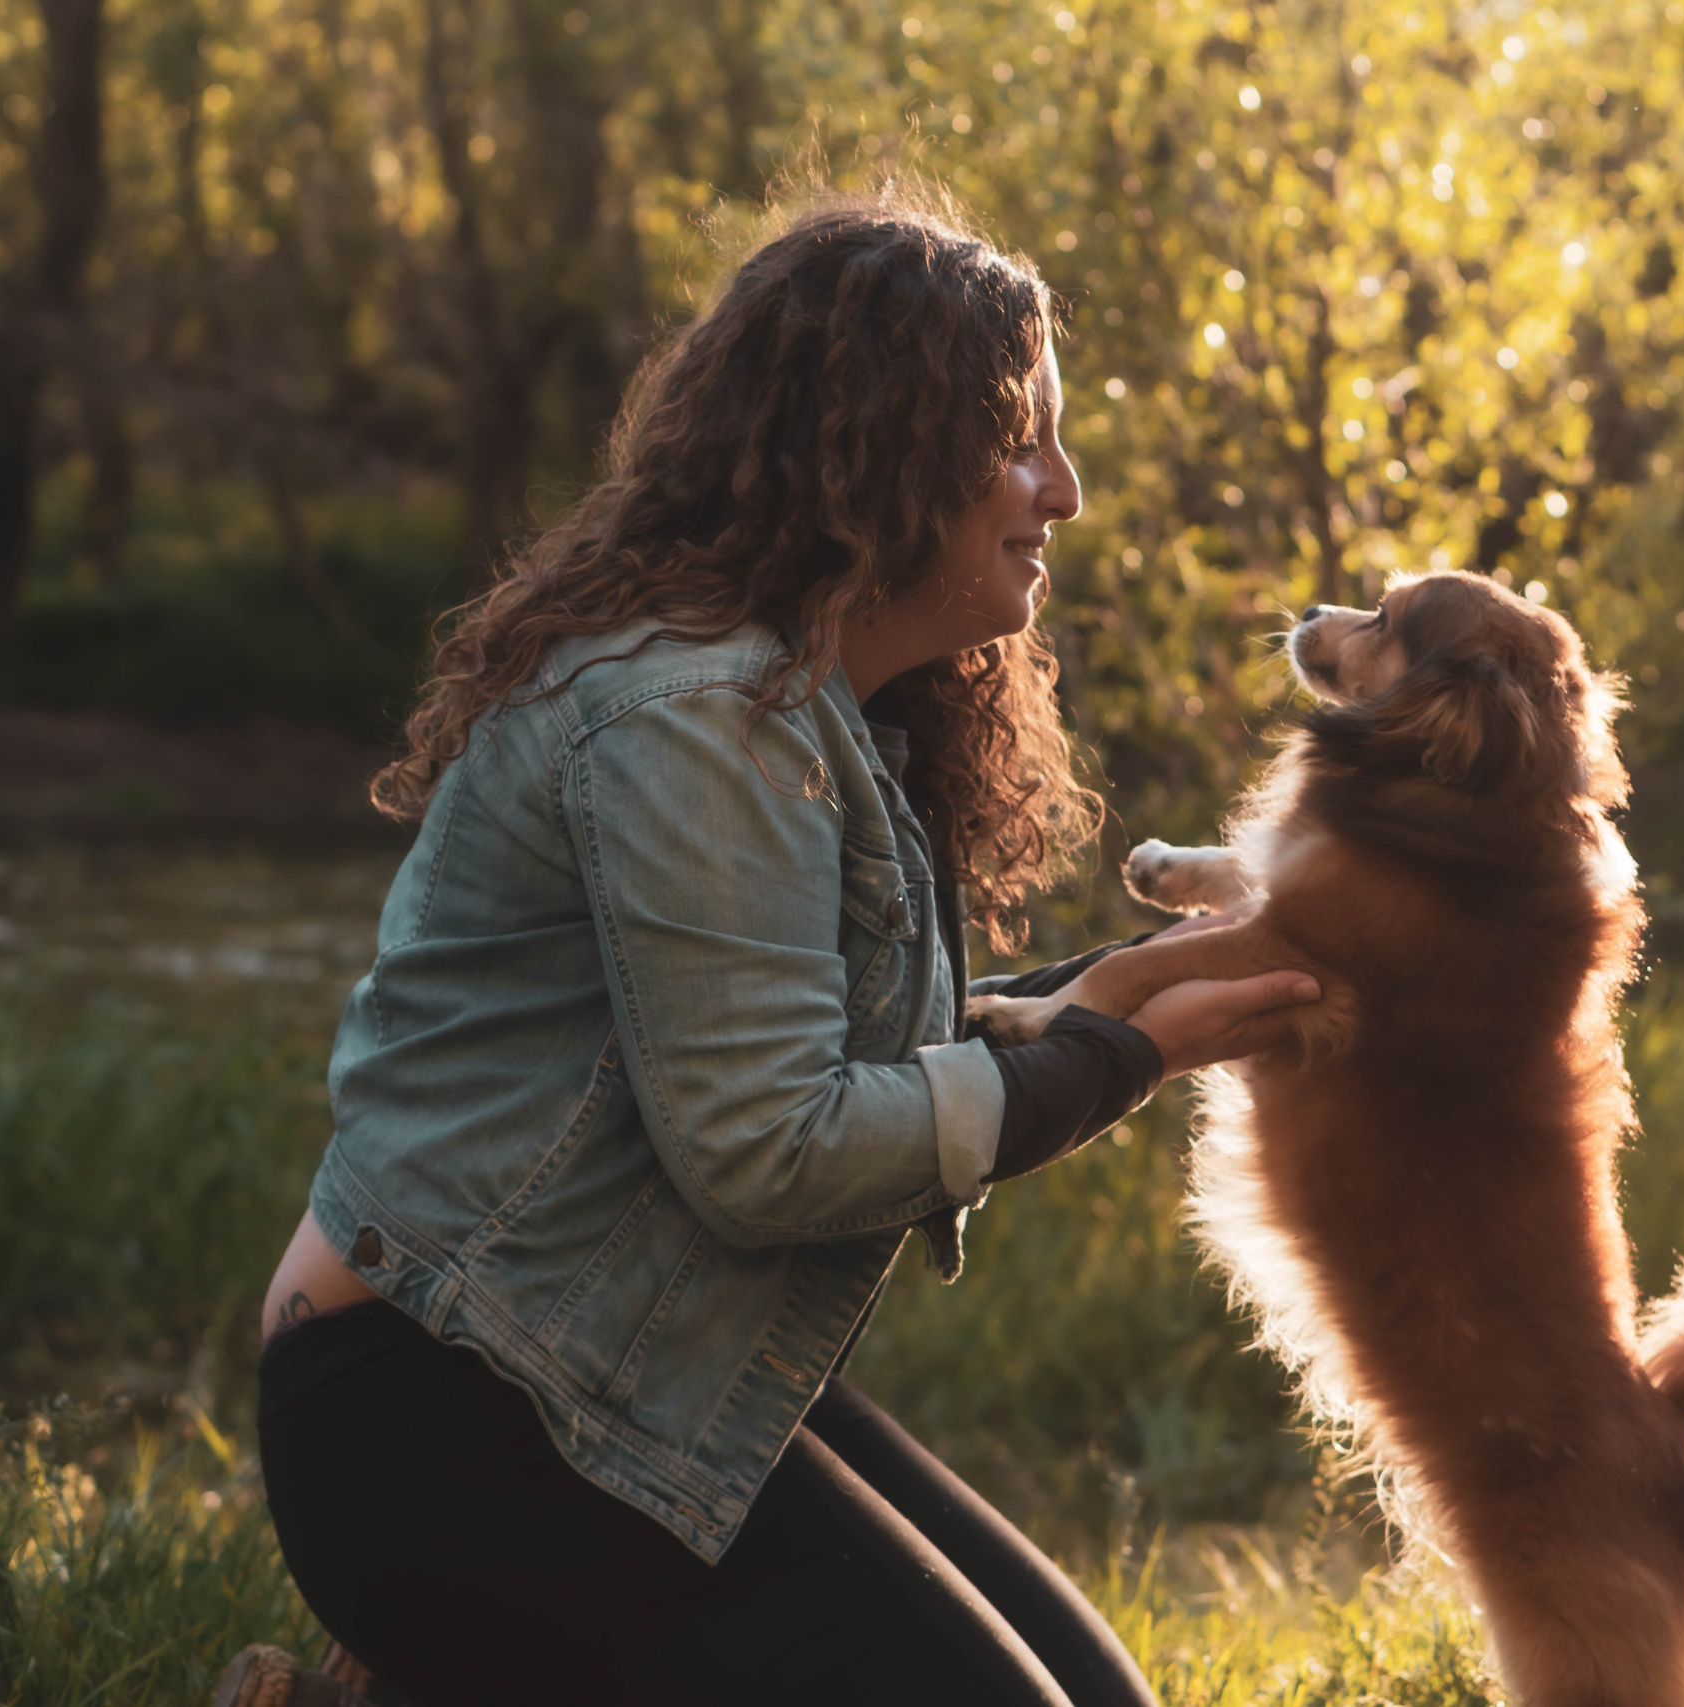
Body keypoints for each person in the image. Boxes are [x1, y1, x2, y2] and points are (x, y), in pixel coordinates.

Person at [238, 193, 1320, 1707]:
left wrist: (1105, 996)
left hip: (601, 1368)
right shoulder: (692, 718)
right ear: (883, 456)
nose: (1065, 491)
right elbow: (769, 1148)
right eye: (1023, 440)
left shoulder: (813, 711)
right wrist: (1113, 1054)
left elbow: (818, 1053)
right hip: (439, 1415)